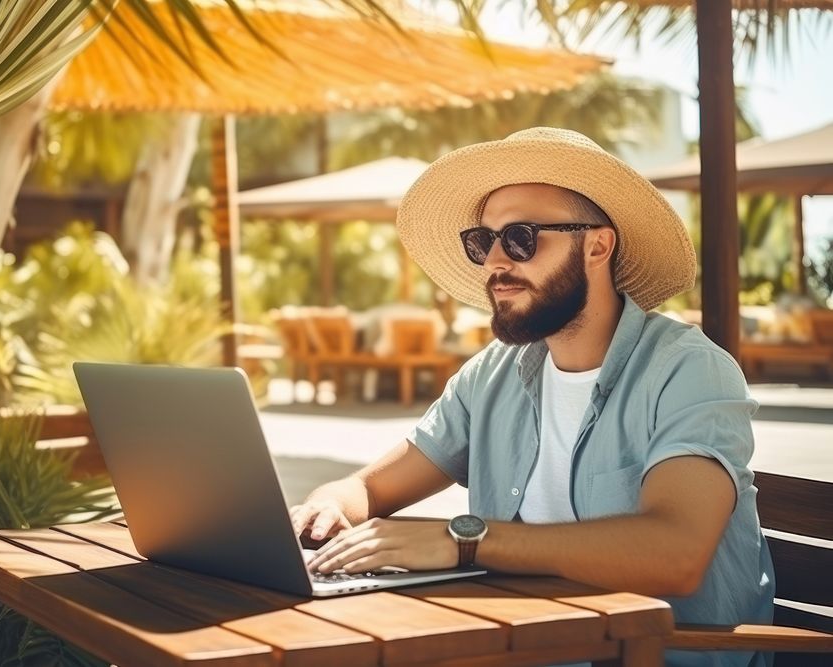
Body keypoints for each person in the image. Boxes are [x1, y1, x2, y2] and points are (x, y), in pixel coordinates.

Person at [290, 128, 775, 667]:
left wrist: (463, 541)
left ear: (597, 244)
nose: (495, 261)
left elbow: (676, 553)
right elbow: (368, 489)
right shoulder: (490, 376)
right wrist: (326, 507)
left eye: (520, 238)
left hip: (660, 655)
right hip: (526, 643)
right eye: (482, 242)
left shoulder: (688, 371)